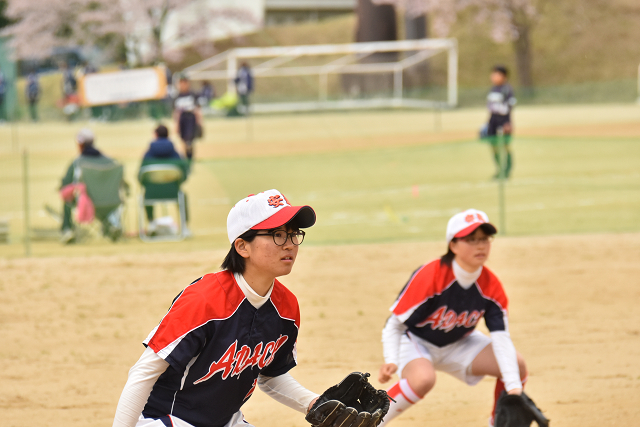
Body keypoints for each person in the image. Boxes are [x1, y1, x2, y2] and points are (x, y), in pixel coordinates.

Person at [112, 189, 321, 427]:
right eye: (277, 234)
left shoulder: (286, 308)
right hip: (168, 420)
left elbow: (271, 376)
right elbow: (143, 373)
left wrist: (314, 403)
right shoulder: (204, 300)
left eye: (294, 234)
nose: (290, 244)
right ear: (242, 246)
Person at [378, 209, 528, 427]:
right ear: (453, 245)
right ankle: (372, 421)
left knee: (516, 364)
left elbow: (501, 338)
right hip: (416, 340)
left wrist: (514, 388)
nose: (480, 246)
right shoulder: (432, 276)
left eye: (484, 239)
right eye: (471, 239)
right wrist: (391, 359)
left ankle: (499, 423)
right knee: (423, 379)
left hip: (459, 341)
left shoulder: (491, 286)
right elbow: (394, 324)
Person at [59, 128, 127, 244]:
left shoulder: (77, 163)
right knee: (102, 200)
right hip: (112, 203)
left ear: (80, 144)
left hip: (87, 204)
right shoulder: (111, 162)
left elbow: (66, 184)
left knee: (68, 200)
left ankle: (67, 230)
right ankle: (111, 224)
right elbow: (123, 184)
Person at [139, 124, 190, 236]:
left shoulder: (148, 154)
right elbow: (184, 173)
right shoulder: (176, 154)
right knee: (183, 196)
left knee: (144, 194)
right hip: (173, 191)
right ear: (168, 135)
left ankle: (151, 223)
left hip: (151, 193)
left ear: (156, 135)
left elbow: (140, 176)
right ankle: (185, 227)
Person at [483, 65, 516, 179]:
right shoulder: (493, 89)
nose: (493, 76)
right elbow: (491, 107)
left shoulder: (507, 89)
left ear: (503, 76)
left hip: (503, 120)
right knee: (493, 146)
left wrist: (508, 123)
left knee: (505, 146)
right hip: (493, 120)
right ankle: (499, 170)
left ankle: (507, 171)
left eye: (496, 74)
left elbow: (510, 106)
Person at [173, 75, 202, 161]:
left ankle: (190, 156)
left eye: (184, 83)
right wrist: (175, 124)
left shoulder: (192, 95)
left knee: (189, 140)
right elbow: (175, 112)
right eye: (181, 83)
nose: (183, 85)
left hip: (191, 118)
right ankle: (185, 156)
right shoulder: (177, 96)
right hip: (181, 119)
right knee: (183, 139)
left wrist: (200, 122)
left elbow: (197, 109)